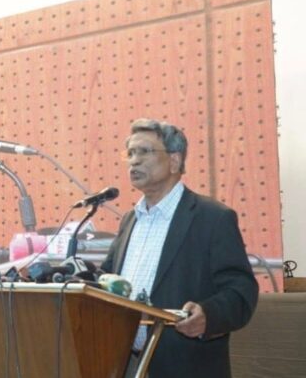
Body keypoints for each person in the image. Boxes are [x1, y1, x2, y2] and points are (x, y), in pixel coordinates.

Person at [101, 118, 258, 378]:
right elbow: (107, 279)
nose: (134, 161)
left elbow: (241, 291)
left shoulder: (213, 217)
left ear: (174, 161)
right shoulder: (130, 220)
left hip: (186, 366)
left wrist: (208, 315)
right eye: (130, 153)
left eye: (144, 151)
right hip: (126, 364)